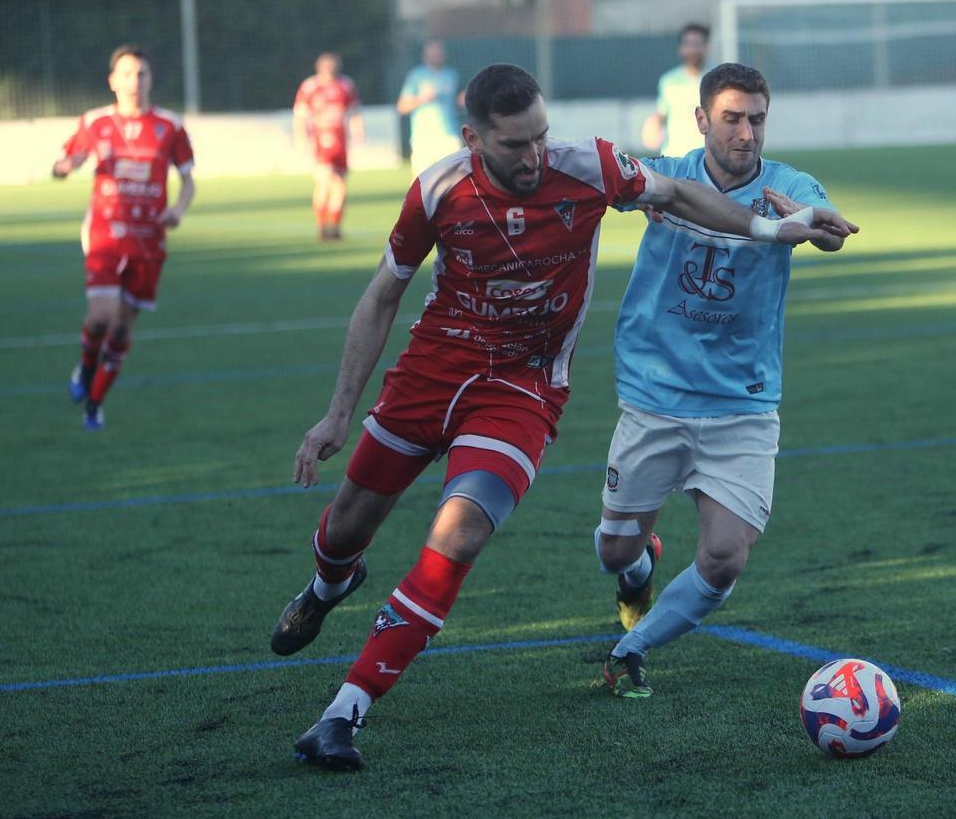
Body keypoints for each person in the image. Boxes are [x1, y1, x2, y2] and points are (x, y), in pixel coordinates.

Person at [270, 62, 855, 771]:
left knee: (455, 539)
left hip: (522, 392)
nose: (535, 157)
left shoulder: (592, 169)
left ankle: (343, 713)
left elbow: (681, 194)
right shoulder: (438, 189)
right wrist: (337, 414)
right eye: (515, 145)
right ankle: (330, 584)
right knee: (345, 529)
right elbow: (380, 299)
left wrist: (778, 227)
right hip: (435, 374)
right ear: (473, 138)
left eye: (541, 137)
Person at [595, 63, 854, 700]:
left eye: (758, 120)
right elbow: (609, 187)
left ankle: (631, 648)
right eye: (733, 118)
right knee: (614, 551)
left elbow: (825, 225)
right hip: (656, 392)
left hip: (743, 402)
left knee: (724, 557)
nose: (747, 133)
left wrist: (816, 220)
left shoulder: (786, 184)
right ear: (703, 119)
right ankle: (639, 567)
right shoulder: (669, 176)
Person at [52, 45, 195, 431]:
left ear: (151, 79)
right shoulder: (96, 122)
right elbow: (70, 158)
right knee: (100, 318)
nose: (135, 81)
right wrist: (65, 166)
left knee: (120, 328)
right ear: (113, 81)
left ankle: (94, 404)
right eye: (128, 74)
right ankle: (85, 366)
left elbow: (187, 180)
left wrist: (177, 211)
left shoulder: (170, 126)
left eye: (142, 74)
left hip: (149, 241)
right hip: (105, 234)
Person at [293, 52, 363, 240]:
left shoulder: (345, 85)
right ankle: (325, 227)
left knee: (335, 186)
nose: (329, 69)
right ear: (319, 67)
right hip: (320, 143)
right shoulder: (310, 86)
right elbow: (300, 115)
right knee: (331, 183)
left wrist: (357, 129)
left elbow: (354, 110)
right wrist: (301, 139)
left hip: (340, 143)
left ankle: (333, 226)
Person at [641, 23, 711, 156]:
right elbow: (662, 113)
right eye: (688, 44)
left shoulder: (718, 78)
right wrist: (653, 125)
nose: (692, 49)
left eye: (697, 44)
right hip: (675, 159)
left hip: (707, 159)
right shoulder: (669, 81)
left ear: (706, 47)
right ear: (681, 48)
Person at [397, 40, 462, 176]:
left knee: (453, 182)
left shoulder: (452, 75)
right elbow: (402, 107)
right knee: (421, 184)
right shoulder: (416, 76)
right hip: (423, 138)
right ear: (425, 56)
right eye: (432, 54)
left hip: (449, 136)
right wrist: (422, 98)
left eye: (438, 53)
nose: (436, 57)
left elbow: (458, 101)